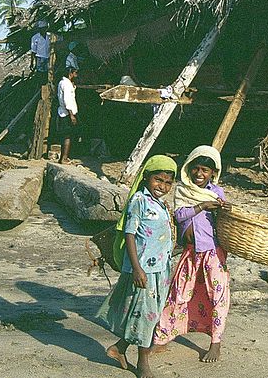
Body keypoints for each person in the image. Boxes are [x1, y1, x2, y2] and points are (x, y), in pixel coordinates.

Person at [98, 155, 178, 378]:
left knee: (148, 314)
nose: (162, 186)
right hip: (143, 269)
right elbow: (130, 234)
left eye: (167, 182)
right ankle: (142, 362)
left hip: (160, 270)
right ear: (146, 178)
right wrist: (137, 268)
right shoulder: (139, 201)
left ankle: (118, 348)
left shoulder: (161, 204)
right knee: (148, 315)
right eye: (157, 180)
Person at [154, 145, 231, 363]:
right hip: (191, 252)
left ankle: (215, 343)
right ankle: (162, 337)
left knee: (217, 296)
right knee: (178, 293)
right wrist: (202, 206)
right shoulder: (183, 190)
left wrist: (224, 208)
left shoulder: (217, 193)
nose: (199, 174)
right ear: (189, 169)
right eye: (196, 169)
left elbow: (225, 220)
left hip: (213, 253)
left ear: (213, 173)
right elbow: (180, 215)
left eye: (205, 171)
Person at [57, 65, 78, 164]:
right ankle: (63, 158)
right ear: (71, 74)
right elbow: (67, 100)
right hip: (66, 113)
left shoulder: (63, 82)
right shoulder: (66, 84)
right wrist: (71, 115)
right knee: (67, 136)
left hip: (63, 112)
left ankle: (63, 157)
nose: (76, 75)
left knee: (66, 136)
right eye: (75, 73)